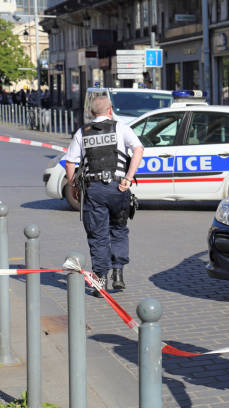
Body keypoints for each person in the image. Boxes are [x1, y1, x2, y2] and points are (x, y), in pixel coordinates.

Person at [64, 96, 144, 297]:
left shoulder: (82, 133)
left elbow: (70, 163)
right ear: (110, 110)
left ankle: (99, 282)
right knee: (119, 229)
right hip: (118, 188)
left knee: (98, 235)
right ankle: (118, 274)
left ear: (92, 113)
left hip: (94, 190)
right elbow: (138, 149)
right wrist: (128, 177)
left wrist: (74, 185)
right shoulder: (121, 128)